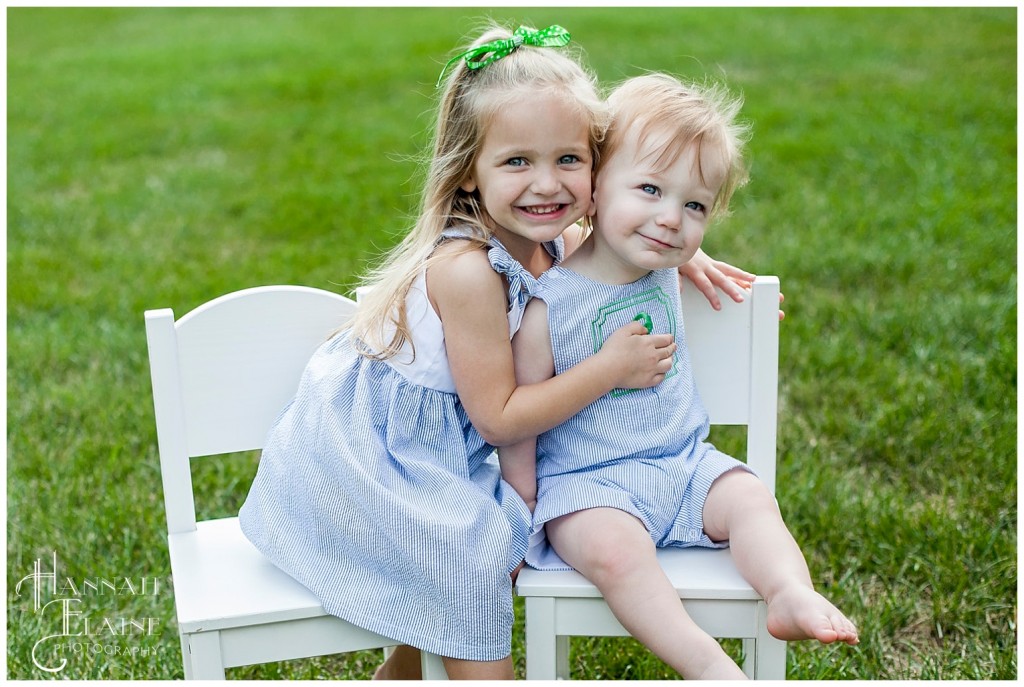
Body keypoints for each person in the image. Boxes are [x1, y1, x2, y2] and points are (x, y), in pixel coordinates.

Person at [240, 24, 759, 680]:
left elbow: (603, 228)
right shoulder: (470, 271)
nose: (546, 184)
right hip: (376, 452)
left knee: (477, 541)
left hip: (439, 441)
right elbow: (499, 419)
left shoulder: (537, 232)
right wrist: (608, 369)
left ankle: (399, 674)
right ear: (467, 173)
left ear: (598, 173)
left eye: (568, 160)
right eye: (517, 162)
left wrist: (681, 248)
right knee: (477, 549)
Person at [503, 73, 858, 680]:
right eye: (649, 189)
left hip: (685, 464)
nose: (671, 220)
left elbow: (665, 239)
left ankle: (787, 591)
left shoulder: (668, 267)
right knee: (619, 555)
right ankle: (708, 665)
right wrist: (525, 504)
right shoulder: (546, 306)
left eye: (694, 205)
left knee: (749, 497)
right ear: (592, 189)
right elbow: (520, 416)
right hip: (589, 490)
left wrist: (693, 258)